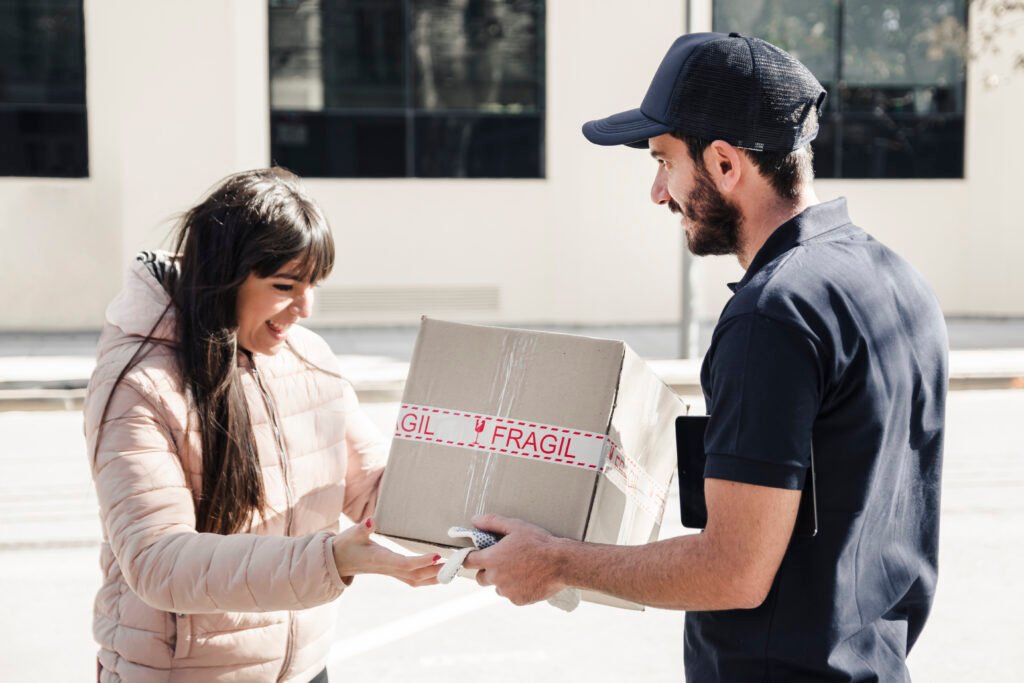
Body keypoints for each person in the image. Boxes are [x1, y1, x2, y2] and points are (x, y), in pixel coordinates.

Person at [464, 32, 948, 682]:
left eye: (665, 160)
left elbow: (734, 569)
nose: (658, 191)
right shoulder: (897, 280)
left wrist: (555, 560)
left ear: (724, 163)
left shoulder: (772, 313)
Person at [84, 168, 440, 683]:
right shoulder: (141, 384)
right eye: (284, 286)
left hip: (303, 669)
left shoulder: (309, 358)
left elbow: (374, 487)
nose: (305, 308)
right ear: (223, 275)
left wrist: (472, 480)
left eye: (312, 285)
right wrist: (330, 559)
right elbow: (157, 561)